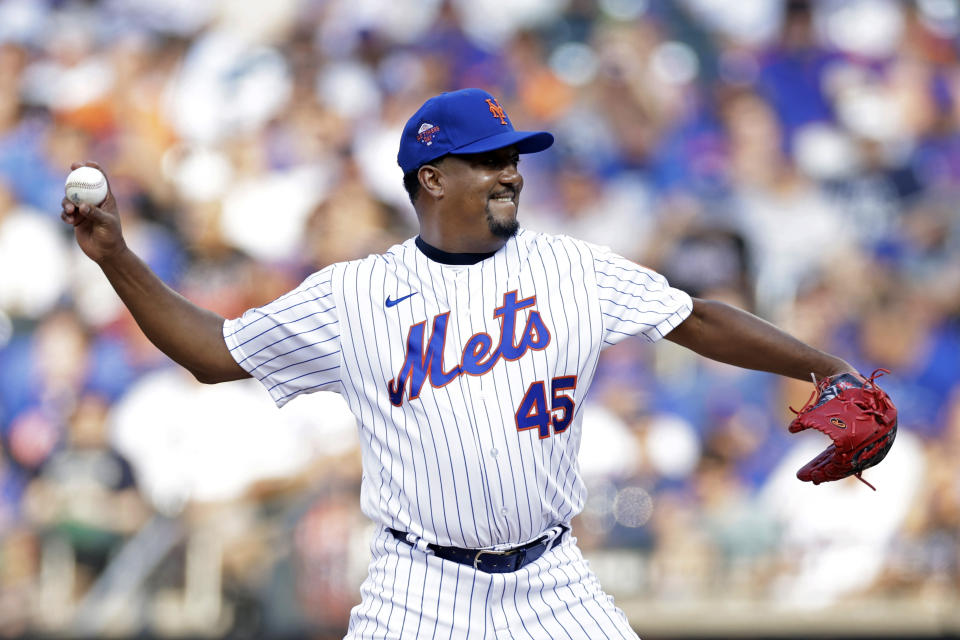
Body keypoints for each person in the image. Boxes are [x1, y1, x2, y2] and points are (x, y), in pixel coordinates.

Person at [61, 88, 864, 639]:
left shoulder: (574, 269)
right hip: (419, 588)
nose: (510, 171)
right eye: (488, 159)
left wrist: (822, 364)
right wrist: (118, 258)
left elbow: (698, 318)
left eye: (513, 155)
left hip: (554, 580)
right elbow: (213, 351)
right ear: (432, 178)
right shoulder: (355, 294)